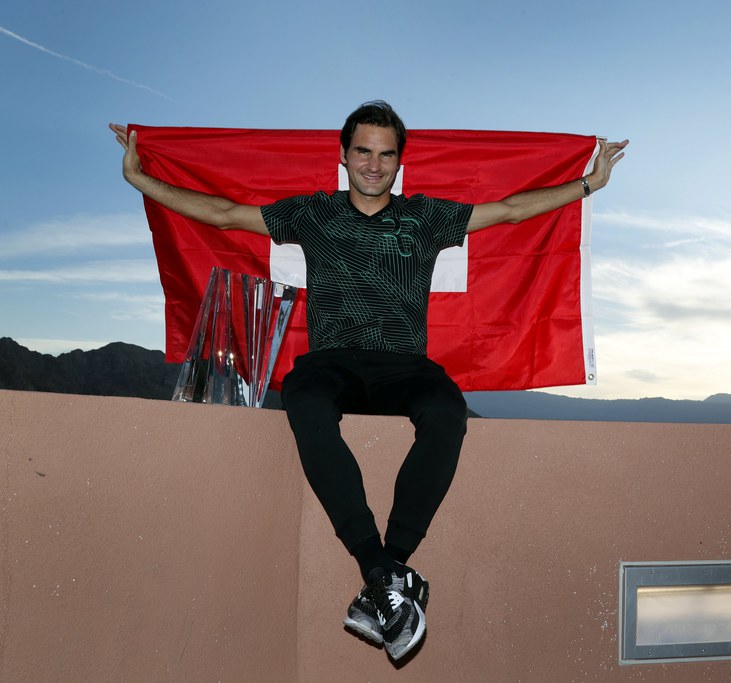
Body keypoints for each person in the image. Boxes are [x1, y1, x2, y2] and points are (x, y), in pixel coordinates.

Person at [110, 101, 627, 661]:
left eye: (385, 154)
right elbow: (226, 214)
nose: (374, 164)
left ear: (399, 162)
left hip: (404, 366)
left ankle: (387, 569)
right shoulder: (313, 213)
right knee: (302, 397)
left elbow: (507, 210)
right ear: (344, 155)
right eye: (363, 151)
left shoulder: (426, 217)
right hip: (334, 362)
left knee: (448, 411)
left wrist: (587, 185)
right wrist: (142, 179)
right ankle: (380, 571)